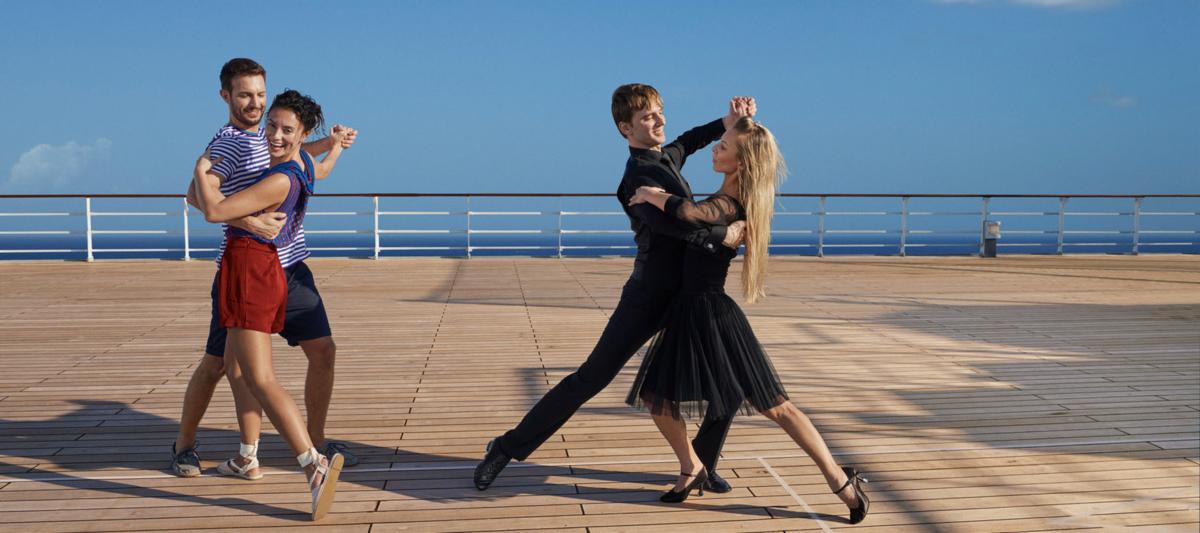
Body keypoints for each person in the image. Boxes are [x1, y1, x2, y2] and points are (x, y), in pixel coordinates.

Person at [474, 84, 749, 492]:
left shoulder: (663, 158)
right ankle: (505, 447)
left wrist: (725, 124)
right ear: (625, 128)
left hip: (688, 293)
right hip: (649, 296)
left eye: (659, 112)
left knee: (727, 382)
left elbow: (688, 141)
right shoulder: (636, 176)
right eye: (647, 117)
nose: (658, 121)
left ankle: (702, 464)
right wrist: (726, 235)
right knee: (591, 378)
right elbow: (674, 228)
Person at [623, 117, 870, 523]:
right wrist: (734, 118)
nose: (716, 150)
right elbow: (695, 221)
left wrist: (652, 194)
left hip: (714, 317)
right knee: (657, 400)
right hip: (688, 312)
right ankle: (692, 467)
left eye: (723, 145)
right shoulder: (728, 198)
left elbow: (690, 213)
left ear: (741, 161)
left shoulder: (732, 201)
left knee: (777, 407)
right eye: (718, 143)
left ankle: (841, 481)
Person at [171, 58, 358, 483]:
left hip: (289, 269)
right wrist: (247, 220)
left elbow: (294, 157)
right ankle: (185, 445)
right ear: (226, 97)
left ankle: (293, 446)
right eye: (244, 95)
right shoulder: (228, 144)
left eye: (259, 94)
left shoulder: (262, 139)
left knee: (320, 352)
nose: (254, 103)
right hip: (246, 268)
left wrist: (333, 144)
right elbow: (197, 198)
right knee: (221, 365)